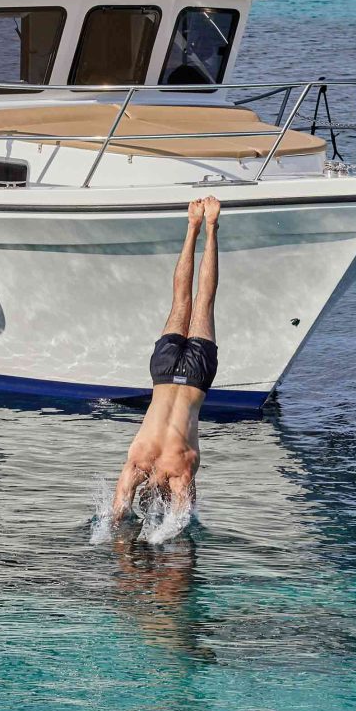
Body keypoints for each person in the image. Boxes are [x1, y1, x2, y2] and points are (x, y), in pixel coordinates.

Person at [112, 195, 220, 526]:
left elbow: (182, 521)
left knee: (204, 301)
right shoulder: (136, 464)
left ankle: (211, 227)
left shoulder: (180, 471)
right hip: (163, 372)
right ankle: (193, 227)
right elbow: (118, 509)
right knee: (181, 299)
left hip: (196, 377)